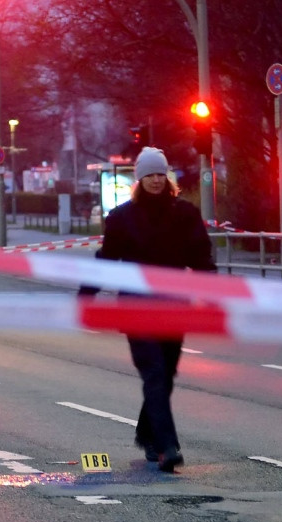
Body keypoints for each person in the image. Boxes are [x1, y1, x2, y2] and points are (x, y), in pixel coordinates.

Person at [79, 147, 215, 472]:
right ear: (139, 179)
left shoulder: (185, 213)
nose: (155, 180)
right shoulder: (122, 217)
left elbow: (200, 256)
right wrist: (86, 296)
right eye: (149, 175)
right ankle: (168, 446)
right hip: (136, 308)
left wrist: (213, 292)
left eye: (160, 174)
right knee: (154, 374)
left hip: (173, 307)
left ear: (166, 178)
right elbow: (107, 260)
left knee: (165, 375)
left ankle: (146, 433)